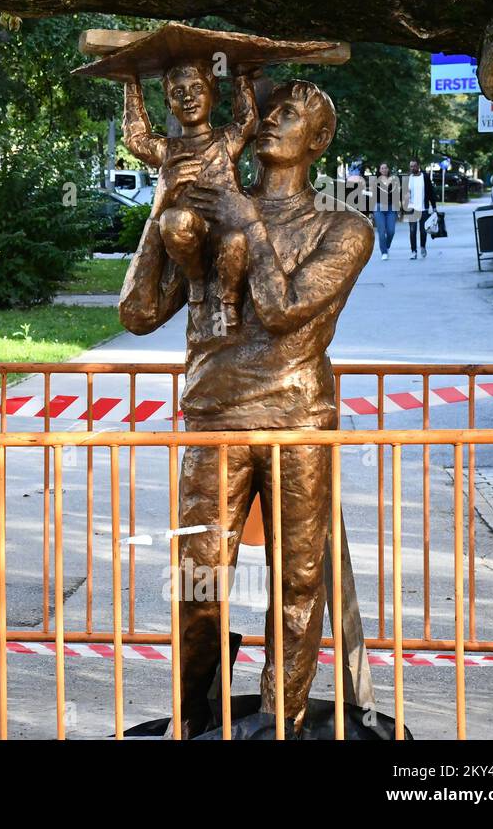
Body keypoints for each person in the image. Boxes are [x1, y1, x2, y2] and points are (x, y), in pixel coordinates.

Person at [119, 80, 374, 736]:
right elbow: (138, 312)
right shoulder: (209, 215)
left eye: (294, 113)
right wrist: (162, 206)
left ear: (316, 141)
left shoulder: (343, 229)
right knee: (196, 588)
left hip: (298, 424)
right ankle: (193, 721)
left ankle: (280, 724)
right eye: (274, 106)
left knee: (296, 588)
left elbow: (282, 307)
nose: (275, 118)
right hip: (214, 419)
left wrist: (243, 214)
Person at [123, 59, 258, 327]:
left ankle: (229, 301)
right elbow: (136, 139)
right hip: (189, 235)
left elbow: (248, 120)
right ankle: (195, 279)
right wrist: (131, 83)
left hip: (224, 227)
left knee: (235, 240)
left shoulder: (226, 141)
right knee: (173, 220)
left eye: (197, 88)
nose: (189, 98)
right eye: (178, 93)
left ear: (213, 95)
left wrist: (241, 74)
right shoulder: (168, 149)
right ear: (168, 105)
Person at [402, 158, 438, 260]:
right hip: (411, 208)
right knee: (412, 231)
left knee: (423, 230)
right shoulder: (408, 178)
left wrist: (434, 207)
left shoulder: (425, 177)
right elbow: (404, 193)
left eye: (414, 166)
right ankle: (413, 251)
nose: (412, 168)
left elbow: (431, 192)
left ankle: (423, 247)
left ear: (418, 166)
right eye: (411, 166)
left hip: (423, 208)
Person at [371, 162, 399, 260]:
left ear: (388, 169)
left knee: (391, 231)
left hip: (391, 208)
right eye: (382, 168)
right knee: (381, 232)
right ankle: (384, 252)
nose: (384, 170)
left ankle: (386, 246)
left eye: (385, 168)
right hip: (379, 209)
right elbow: (373, 197)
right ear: (379, 170)